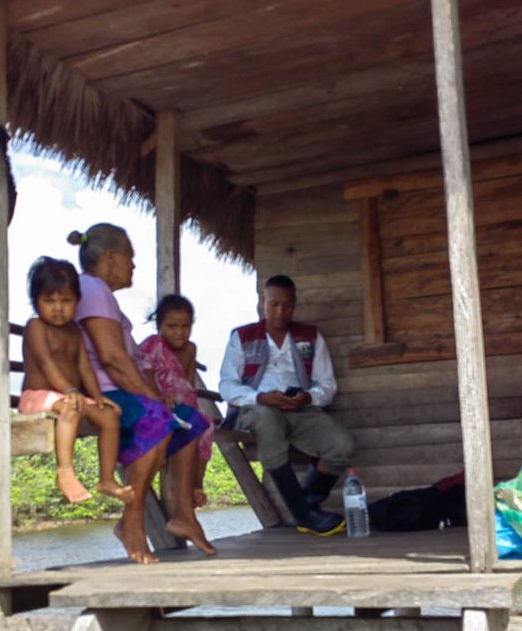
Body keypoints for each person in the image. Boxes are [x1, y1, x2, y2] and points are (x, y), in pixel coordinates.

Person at [69, 224, 216, 563]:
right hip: (101, 393)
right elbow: (112, 358)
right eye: (129, 258)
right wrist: (151, 398)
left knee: (191, 421)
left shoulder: (100, 293)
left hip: (119, 391)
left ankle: (183, 515)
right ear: (109, 257)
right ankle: (131, 524)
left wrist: (153, 395)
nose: (133, 266)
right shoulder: (93, 288)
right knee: (160, 418)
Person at [219, 274, 354, 536]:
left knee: (342, 446)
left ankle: (306, 504)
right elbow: (227, 385)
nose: (280, 311)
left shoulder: (311, 336)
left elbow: (327, 384)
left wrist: (308, 397)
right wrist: (259, 397)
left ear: (295, 305)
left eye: (287, 305)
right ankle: (305, 515)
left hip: (300, 407)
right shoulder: (242, 337)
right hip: (256, 408)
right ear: (262, 303)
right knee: (268, 419)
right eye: (273, 304)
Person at [19, 256, 133, 505]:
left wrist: (98, 396)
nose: (58, 308)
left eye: (66, 301)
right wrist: (71, 390)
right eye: (49, 301)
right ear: (36, 302)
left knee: (109, 416)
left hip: (68, 396)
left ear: (77, 301)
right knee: (70, 405)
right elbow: (47, 363)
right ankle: (65, 472)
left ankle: (106, 478)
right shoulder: (36, 326)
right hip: (37, 397)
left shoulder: (75, 331)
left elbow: (84, 367)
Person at [139, 295, 216, 508]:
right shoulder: (152, 345)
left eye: (185, 326)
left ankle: (196, 485)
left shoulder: (190, 348)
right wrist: (159, 398)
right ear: (159, 325)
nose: (179, 332)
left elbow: (188, 383)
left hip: (184, 402)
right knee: (180, 425)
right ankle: (182, 489)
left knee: (207, 425)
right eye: (172, 326)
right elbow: (146, 375)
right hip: (160, 403)